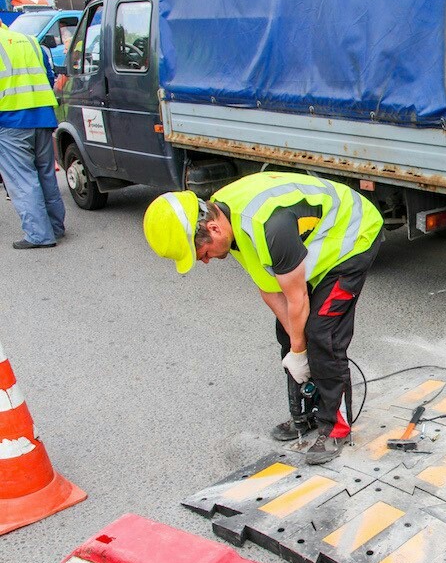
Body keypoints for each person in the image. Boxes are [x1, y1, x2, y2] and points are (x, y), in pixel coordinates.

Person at [143, 172, 384, 464]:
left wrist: (301, 351)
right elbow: (271, 291)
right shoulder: (229, 221)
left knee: (323, 333)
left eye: (202, 253)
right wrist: (296, 347)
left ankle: (336, 428)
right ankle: (306, 414)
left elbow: (297, 299)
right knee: (289, 331)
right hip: (315, 244)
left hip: (354, 236)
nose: (205, 261)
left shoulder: (269, 226)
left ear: (213, 229)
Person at [0, 20, 65, 249]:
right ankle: (56, 227)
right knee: (46, 174)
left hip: (10, 120)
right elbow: (49, 76)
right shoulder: (29, 41)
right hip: (42, 116)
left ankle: (39, 234)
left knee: (22, 180)